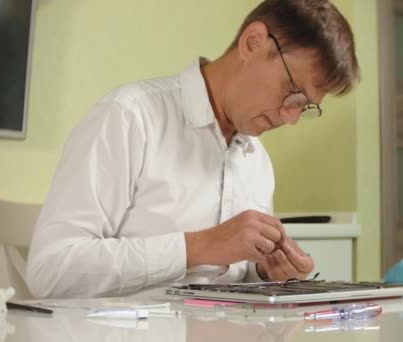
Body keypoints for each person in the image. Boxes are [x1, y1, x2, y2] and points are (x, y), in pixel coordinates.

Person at [26, 0, 359, 299]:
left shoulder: (256, 161)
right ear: (253, 42)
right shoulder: (130, 116)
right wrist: (200, 246)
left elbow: (230, 287)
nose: (291, 117)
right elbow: (50, 270)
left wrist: (265, 274)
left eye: (305, 107)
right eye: (293, 93)